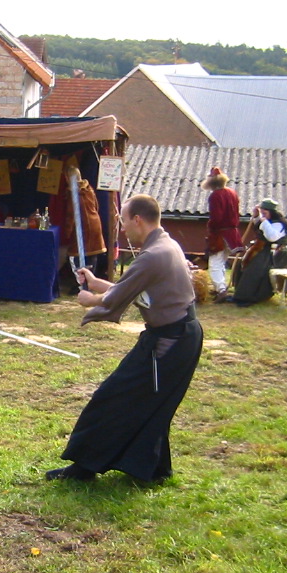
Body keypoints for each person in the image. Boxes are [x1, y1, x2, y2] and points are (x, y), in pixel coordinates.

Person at [46, 194, 203, 483]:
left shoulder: (153, 255)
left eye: (123, 221)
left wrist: (88, 298)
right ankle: (153, 469)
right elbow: (134, 290)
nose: (122, 229)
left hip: (170, 342)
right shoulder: (166, 246)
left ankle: (84, 467)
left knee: (112, 397)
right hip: (178, 338)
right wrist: (97, 284)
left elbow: (116, 297)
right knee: (150, 403)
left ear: (138, 220)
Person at [231, 198, 287, 306]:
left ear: (272, 212)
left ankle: (251, 298)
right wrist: (256, 216)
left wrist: (263, 221)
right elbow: (258, 225)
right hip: (261, 250)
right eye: (262, 212)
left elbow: (271, 237)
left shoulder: (279, 224)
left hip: (274, 254)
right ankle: (240, 295)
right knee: (243, 266)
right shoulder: (266, 221)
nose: (263, 215)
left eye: (265, 213)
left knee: (255, 271)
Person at [201, 167, 243, 302]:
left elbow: (217, 218)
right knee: (222, 261)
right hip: (232, 232)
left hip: (220, 233)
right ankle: (221, 287)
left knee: (215, 263)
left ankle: (221, 290)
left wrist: (211, 227)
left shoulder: (216, 195)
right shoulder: (232, 193)